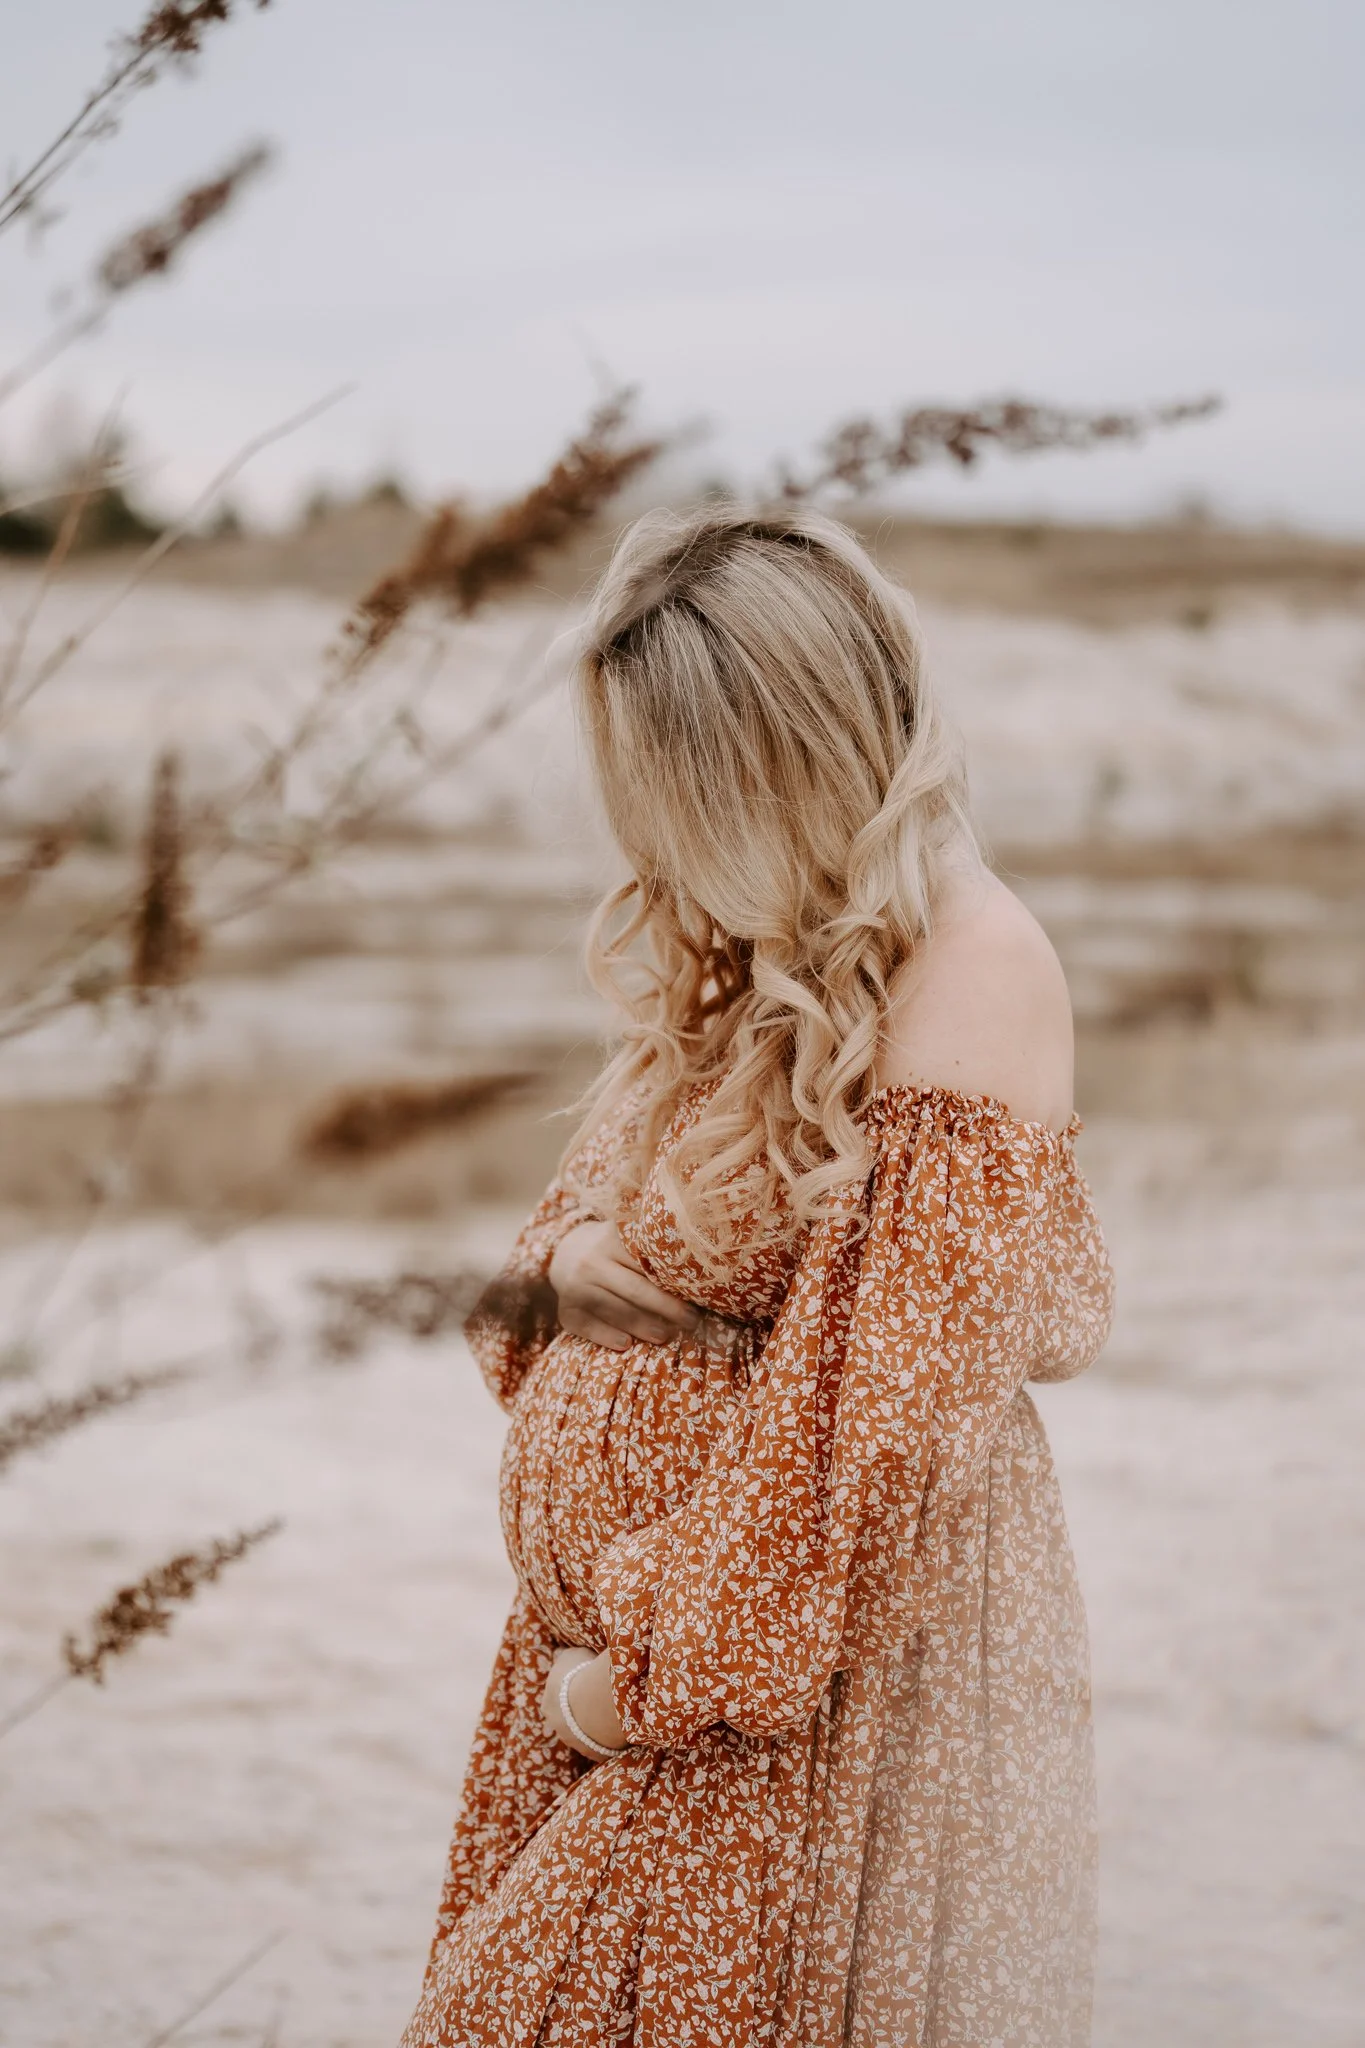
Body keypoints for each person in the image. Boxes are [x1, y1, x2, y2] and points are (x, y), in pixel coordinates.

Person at [400, 508, 1113, 2048]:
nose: (651, 855)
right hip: (652, 1677)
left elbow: (865, 1460)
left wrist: (623, 1698)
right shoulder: (753, 959)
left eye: (676, 804)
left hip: (778, 1711)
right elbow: (523, 1300)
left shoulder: (975, 969)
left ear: (773, 770)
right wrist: (589, 1281)